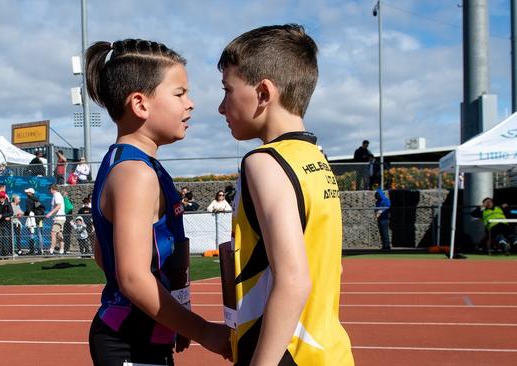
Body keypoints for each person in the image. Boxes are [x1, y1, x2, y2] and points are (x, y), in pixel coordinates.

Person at [85, 38, 231, 365]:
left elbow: (102, 252)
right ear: (140, 104)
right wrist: (203, 331)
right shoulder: (136, 174)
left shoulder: (128, 164)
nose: (190, 103)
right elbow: (133, 277)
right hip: (129, 342)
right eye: (179, 93)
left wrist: (171, 318)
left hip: (142, 336)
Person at [217, 24, 354, 364]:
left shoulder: (263, 163)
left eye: (227, 90)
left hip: (287, 353)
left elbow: (293, 280)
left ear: (263, 93)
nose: (222, 107)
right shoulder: (316, 159)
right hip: (328, 350)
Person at [45, 184, 66, 255]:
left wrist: (50, 213)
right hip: (59, 217)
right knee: (59, 234)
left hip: (59, 218)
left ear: (52, 189)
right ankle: (62, 249)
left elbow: (58, 206)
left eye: (49, 189)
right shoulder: (57, 195)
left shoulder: (56, 195)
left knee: (53, 233)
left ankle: (51, 250)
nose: (49, 191)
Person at [23, 188, 45, 255]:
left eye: (27, 192)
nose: (26, 193)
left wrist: (24, 214)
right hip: (38, 219)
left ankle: (32, 250)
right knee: (39, 235)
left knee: (32, 234)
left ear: (30, 193)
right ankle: (40, 250)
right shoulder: (37, 199)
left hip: (33, 219)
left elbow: (28, 210)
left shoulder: (28, 200)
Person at [0, 191, 13, 257]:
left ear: (4, 197)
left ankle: (6, 254)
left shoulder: (8, 203)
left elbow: (11, 212)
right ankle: (1, 254)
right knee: (0, 239)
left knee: (6, 239)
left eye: (3, 197)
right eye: (0, 197)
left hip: (6, 225)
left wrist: (2, 216)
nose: (2, 199)